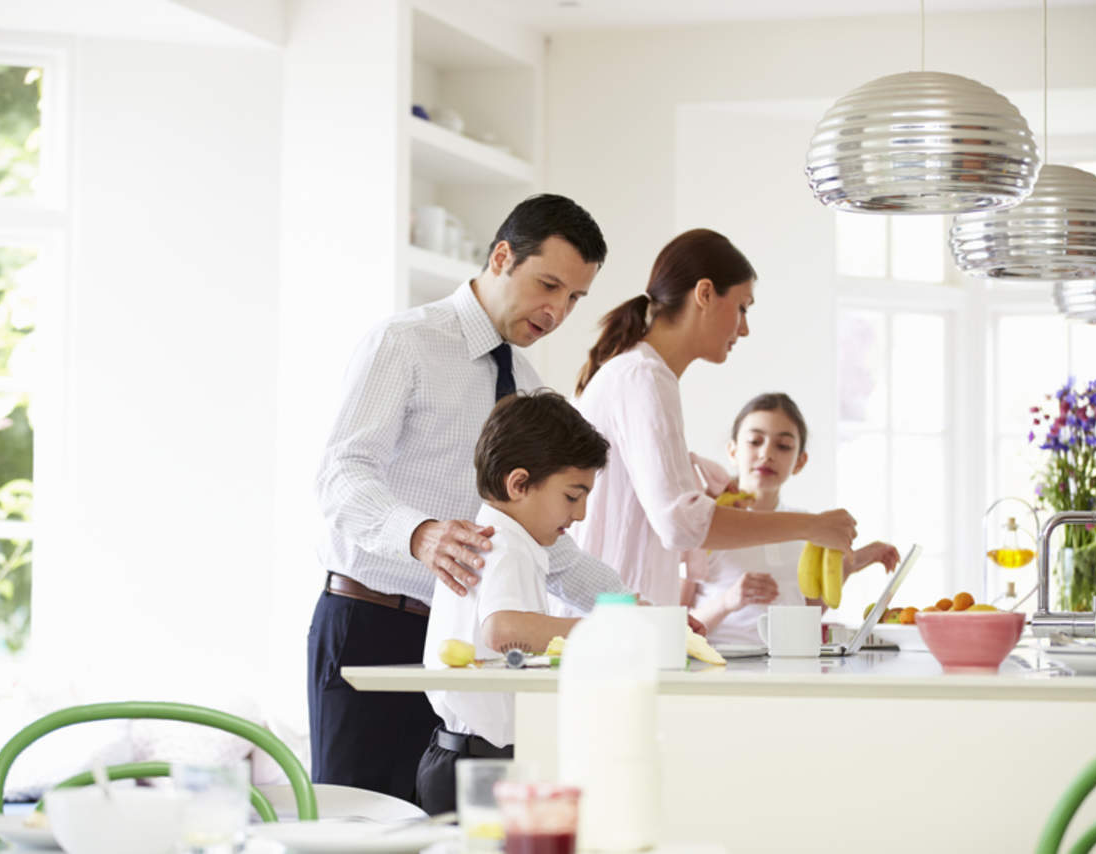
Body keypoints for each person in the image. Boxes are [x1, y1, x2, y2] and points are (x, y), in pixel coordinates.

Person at [310, 194, 635, 802]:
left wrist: (630, 609)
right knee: (358, 824)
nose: (557, 310)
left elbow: (547, 545)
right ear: (502, 256)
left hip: (463, 654)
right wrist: (420, 534)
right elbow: (341, 475)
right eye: (548, 285)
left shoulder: (531, 388)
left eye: (574, 298)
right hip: (371, 624)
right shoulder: (403, 343)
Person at [568, 228, 857, 608]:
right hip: (613, 621)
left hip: (624, 616)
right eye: (742, 307)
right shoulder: (643, 377)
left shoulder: (644, 375)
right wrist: (812, 526)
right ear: (704, 294)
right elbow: (682, 524)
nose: (745, 328)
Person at [416, 390, 608, 813]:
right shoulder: (508, 546)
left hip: (455, 754)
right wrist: (605, 629)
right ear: (519, 483)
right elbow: (505, 630)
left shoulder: (495, 538)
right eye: (573, 496)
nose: (580, 515)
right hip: (481, 764)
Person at [688, 393, 900, 646]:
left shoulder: (811, 528)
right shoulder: (706, 523)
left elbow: (808, 612)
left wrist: (854, 563)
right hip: (718, 670)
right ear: (733, 451)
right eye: (755, 441)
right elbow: (672, 625)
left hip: (786, 668)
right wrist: (728, 601)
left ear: (800, 462)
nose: (766, 453)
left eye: (783, 446)